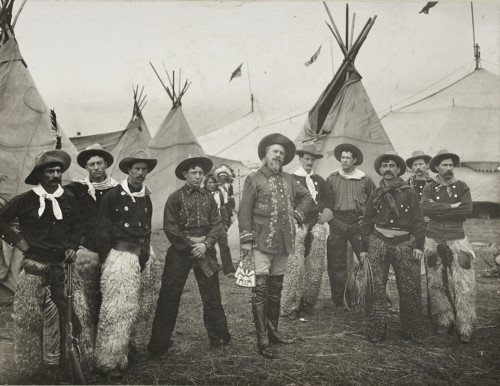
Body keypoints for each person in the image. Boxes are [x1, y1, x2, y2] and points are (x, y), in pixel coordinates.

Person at [0, 150, 83, 381]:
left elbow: (77, 225)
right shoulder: (25, 199)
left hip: (62, 269)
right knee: (31, 321)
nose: (56, 174)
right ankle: (33, 369)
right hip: (34, 269)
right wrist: (19, 241)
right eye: (50, 170)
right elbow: (2, 219)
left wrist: (73, 246)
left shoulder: (68, 198)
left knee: (68, 319)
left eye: (58, 171)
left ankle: (64, 366)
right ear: (39, 173)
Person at [147, 155, 231, 360]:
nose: (197, 176)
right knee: (169, 296)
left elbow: (217, 224)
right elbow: (170, 227)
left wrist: (206, 244)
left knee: (211, 295)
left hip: (205, 250)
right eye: (193, 172)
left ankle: (219, 336)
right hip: (180, 251)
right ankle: (159, 345)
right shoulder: (174, 198)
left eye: (201, 173)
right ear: (185, 174)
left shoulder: (209, 198)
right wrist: (189, 246)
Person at [238, 133, 312, 359]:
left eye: (281, 153)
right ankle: (262, 339)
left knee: (276, 290)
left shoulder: (290, 180)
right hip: (260, 242)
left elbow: (307, 197)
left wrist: (297, 215)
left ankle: (273, 332)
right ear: (266, 155)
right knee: (260, 291)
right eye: (274, 152)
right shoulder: (254, 178)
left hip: (284, 243)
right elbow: (244, 211)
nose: (278, 156)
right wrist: (247, 240)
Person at [94, 149, 157, 378]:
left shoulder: (146, 197)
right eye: (137, 169)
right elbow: (102, 230)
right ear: (129, 171)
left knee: (139, 307)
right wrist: (106, 260)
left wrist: (146, 256)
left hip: (142, 256)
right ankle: (109, 361)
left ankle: (130, 348)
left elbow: (148, 228)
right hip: (120, 257)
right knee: (117, 310)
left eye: (144, 169)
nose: (141, 173)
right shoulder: (114, 195)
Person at [359, 152, 426, 344]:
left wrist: (419, 246)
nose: (388, 169)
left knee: (410, 288)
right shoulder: (376, 193)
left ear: (398, 170)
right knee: (375, 288)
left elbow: (419, 221)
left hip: (404, 243)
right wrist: (364, 248)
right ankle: (376, 331)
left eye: (392, 166)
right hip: (378, 242)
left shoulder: (409, 192)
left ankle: (413, 331)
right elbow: (366, 221)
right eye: (385, 166)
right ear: (380, 170)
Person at [64, 143, 118, 371]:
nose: (96, 167)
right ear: (86, 166)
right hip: (86, 252)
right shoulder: (77, 190)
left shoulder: (117, 189)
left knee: (109, 302)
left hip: (111, 252)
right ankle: (87, 350)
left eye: (99, 163)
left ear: (106, 164)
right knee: (85, 302)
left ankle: (110, 352)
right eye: (91, 164)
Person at [421, 149, 475, 343]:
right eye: (445, 165)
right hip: (433, 237)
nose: (449, 168)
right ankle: (443, 320)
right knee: (435, 282)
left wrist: (439, 211)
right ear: (436, 167)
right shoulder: (428, 188)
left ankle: (466, 325)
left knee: (464, 283)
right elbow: (424, 207)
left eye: (451, 165)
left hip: (457, 237)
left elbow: (467, 210)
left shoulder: (462, 186)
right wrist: (452, 207)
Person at [281, 143, 334, 320]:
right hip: (298, 227)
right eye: (307, 159)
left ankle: (307, 302)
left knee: (315, 266)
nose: (309, 162)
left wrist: (327, 212)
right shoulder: (290, 178)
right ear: (300, 159)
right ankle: (290, 305)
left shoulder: (319, 180)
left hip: (316, 227)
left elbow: (329, 198)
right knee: (295, 267)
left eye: (312, 159)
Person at [325, 143, 376, 309]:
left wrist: (366, 221)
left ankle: (368, 297)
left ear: (354, 160)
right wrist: (331, 218)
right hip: (338, 222)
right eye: (343, 158)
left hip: (359, 222)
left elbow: (373, 202)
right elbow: (326, 200)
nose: (345, 161)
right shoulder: (332, 178)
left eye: (348, 158)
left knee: (365, 259)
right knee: (338, 262)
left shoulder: (365, 179)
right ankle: (340, 300)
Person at [203, 172, 235, 276]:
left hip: (219, 222)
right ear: (205, 184)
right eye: (209, 183)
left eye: (213, 183)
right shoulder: (202, 194)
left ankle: (229, 270)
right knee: (209, 247)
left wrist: (225, 223)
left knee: (224, 246)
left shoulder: (219, 193)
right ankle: (211, 267)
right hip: (208, 223)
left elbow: (223, 208)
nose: (211, 185)